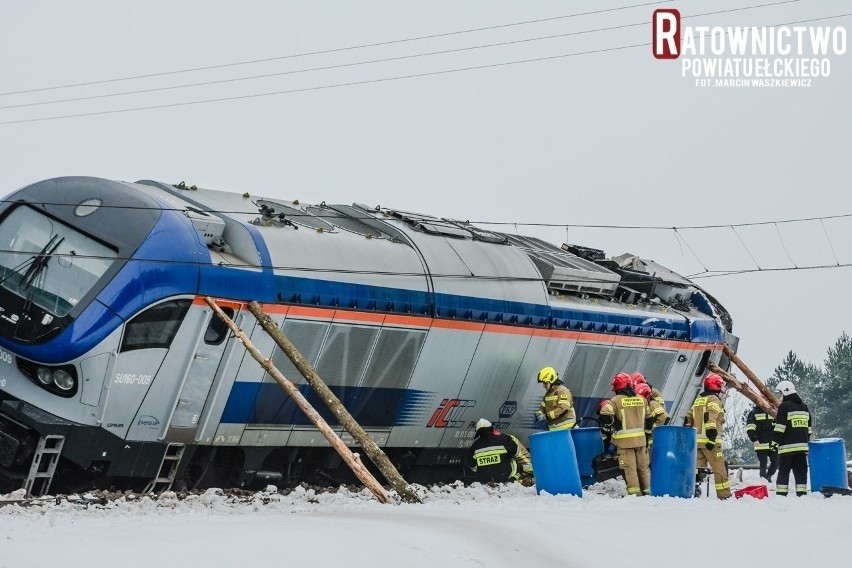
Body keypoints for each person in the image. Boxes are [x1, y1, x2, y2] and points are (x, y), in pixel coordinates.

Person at [598, 372, 651, 496]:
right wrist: (647, 435)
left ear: (618, 386)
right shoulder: (642, 400)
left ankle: (635, 495)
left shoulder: (615, 401)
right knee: (643, 469)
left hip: (624, 443)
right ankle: (648, 493)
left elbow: (605, 414)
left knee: (630, 470)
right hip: (641, 442)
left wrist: (615, 423)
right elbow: (649, 419)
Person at [684, 373, 731, 499]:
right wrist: (711, 438)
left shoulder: (699, 399)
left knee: (696, 469)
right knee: (719, 468)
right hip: (711, 442)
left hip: (697, 441)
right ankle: (724, 495)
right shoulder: (713, 399)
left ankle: (693, 492)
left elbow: (688, 417)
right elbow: (711, 418)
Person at [771, 380, 812, 497]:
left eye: (781, 393)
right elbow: (809, 429)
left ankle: (781, 494)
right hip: (802, 448)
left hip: (787, 448)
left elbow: (780, 427)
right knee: (801, 472)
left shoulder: (784, 406)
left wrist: (774, 442)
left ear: (785, 391)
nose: (780, 396)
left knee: (784, 471)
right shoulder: (804, 407)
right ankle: (802, 493)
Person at [467, 418, 534, 485]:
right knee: (516, 461)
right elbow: (521, 456)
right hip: (508, 478)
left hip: (488, 481)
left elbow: (472, 467)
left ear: (478, 433)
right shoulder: (504, 440)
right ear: (491, 429)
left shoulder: (475, 447)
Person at [533, 366, 576, 430]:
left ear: (552, 380)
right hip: (554, 429)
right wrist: (539, 414)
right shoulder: (548, 394)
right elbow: (542, 408)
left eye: (545, 383)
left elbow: (562, 409)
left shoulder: (563, 391)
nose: (543, 386)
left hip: (566, 428)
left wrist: (545, 416)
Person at [746, 404, 778, 482]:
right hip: (760, 444)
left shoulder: (772, 412)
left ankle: (769, 476)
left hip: (773, 443)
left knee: (776, 461)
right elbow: (750, 427)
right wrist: (754, 439)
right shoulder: (754, 413)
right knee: (763, 463)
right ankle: (763, 478)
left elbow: (777, 426)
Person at [635, 382, 669, 453]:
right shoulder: (646, 405)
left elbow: (665, 418)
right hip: (648, 440)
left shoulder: (653, 404)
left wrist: (653, 430)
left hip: (654, 440)